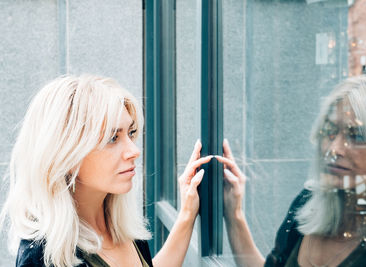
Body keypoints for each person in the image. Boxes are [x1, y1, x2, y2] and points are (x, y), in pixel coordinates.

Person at [0, 74, 212, 267]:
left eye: (131, 133)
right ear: (66, 153)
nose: (134, 151)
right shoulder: (44, 257)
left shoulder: (119, 224)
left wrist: (187, 213)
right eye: (112, 138)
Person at [216, 76, 366, 267]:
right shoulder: (308, 202)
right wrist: (233, 212)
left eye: (357, 136)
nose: (334, 149)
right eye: (330, 131)